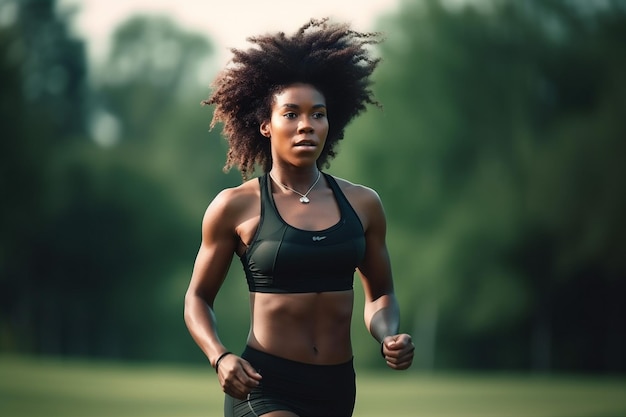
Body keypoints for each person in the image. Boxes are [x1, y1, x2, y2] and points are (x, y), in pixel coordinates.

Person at [184, 18, 414, 417]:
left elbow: (380, 294)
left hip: (338, 389)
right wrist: (219, 357)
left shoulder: (363, 204)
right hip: (264, 384)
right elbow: (197, 298)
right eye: (291, 114)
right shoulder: (235, 206)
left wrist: (387, 334)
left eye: (318, 114)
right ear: (265, 126)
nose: (306, 124)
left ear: (330, 123)